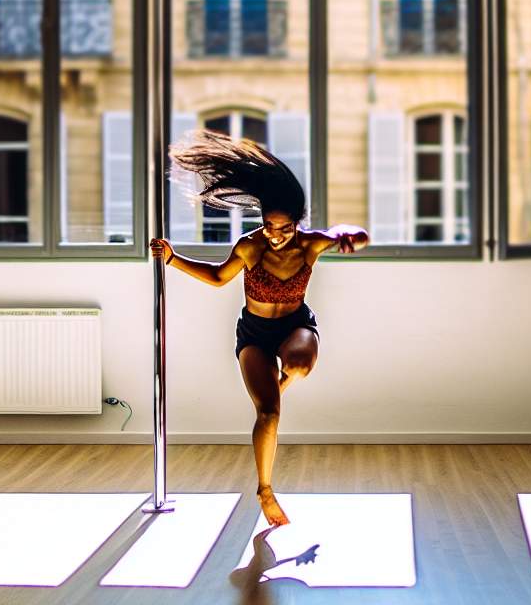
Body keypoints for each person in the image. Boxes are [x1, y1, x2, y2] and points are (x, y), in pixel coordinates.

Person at [149, 130, 368, 527]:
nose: (275, 235)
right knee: (268, 415)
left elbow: (349, 233)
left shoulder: (310, 244)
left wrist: (353, 235)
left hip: (295, 325)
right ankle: (265, 490)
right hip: (254, 334)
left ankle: (278, 388)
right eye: (269, 225)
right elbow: (218, 277)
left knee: (300, 363)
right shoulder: (250, 246)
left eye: (284, 228)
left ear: (297, 225)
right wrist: (172, 258)